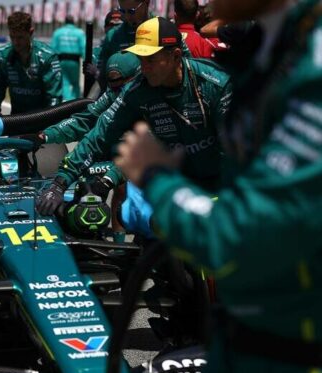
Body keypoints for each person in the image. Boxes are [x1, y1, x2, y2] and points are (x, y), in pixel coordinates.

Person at [115, 0, 322, 373]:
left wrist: (158, 180)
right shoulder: (269, 51)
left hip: (301, 369)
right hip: (238, 349)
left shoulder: (312, 67)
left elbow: (240, 236)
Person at [36, 17, 231, 217]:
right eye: (140, 59)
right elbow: (100, 135)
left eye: (151, 60)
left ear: (175, 56)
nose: (144, 68)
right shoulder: (137, 90)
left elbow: (237, 152)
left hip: (224, 185)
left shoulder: (215, 84)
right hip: (177, 185)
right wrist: (60, 183)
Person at [39, 51, 141, 243]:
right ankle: (115, 243)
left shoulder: (149, 97)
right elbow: (86, 122)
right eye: (112, 84)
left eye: (120, 85)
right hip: (123, 155)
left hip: (156, 164)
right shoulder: (114, 94)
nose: (116, 90)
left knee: (127, 195)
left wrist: (110, 178)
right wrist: (45, 135)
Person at [95, 0, 192, 91]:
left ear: (146, 3)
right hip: (125, 98)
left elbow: (188, 66)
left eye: (132, 11)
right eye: (122, 11)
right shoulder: (113, 36)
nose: (127, 17)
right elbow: (102, 77)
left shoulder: (166, 30)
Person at [0, 11, 62, 114]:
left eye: (20, 37)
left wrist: (49, 121)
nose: (16, 42)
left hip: (42, 119)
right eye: (12, 37)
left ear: (31, 32)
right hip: (16, 118)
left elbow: (54, 98)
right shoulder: (3, 55)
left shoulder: (48, 56)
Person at [50, 15, 86, 101]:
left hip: (61, 60)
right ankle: (76, 99)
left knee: (64, 81)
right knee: (75, 82)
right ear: (73, 22)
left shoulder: (58, 32)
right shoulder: (79, 33)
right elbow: (83, 47)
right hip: (74, 61)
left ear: (65, 22)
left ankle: (66, 100)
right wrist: (86, 60)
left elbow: (53, 48)